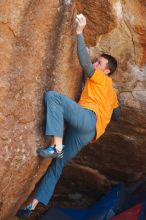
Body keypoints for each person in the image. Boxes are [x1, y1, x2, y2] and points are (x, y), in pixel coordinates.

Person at [16, 14, 121, 219]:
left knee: (53, 97)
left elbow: (85, 64)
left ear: (107, 71)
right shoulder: (113, 94)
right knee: (58, 165)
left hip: (86, 118)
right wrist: (110, 108)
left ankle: (56, 145)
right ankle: (32, 206)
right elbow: (118, 114)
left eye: (99, 63)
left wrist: (79, 32)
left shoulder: (101, 78)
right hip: (87, 133)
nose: (95, 63)